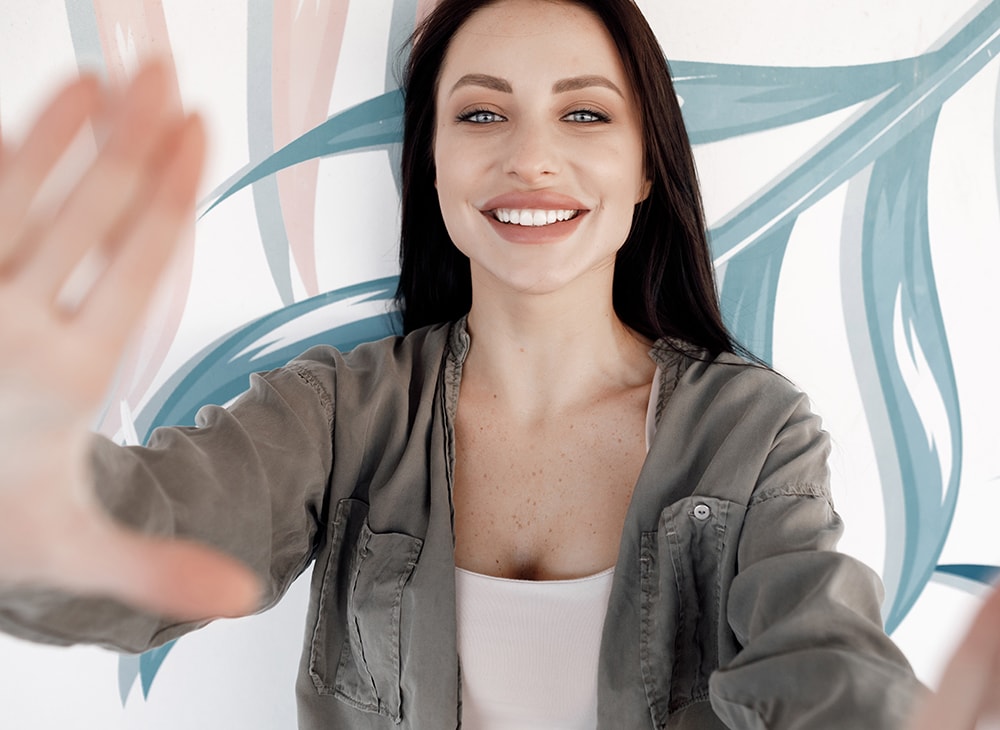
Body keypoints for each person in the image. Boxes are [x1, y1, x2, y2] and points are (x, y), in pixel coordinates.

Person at [0, 0, 991, 727]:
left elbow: (821, 656)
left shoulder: (751, 432)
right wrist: (28, 495)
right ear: (430, 162)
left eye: (584, 114)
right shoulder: (338, 412)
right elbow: (126, 536)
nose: (530, 158)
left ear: (646, 165)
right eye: (480, 114)